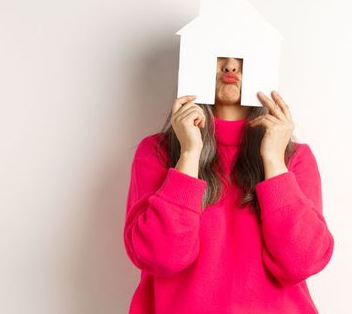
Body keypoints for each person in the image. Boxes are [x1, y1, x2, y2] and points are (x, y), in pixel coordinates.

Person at [123, 57, 335, 313]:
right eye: (219, 54)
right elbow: (159, 257)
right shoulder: (157, 152)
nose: (231, 66)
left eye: (243, 56)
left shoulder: (293, 158)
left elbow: (302, 262)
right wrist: (189, 154)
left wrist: (274, 161)